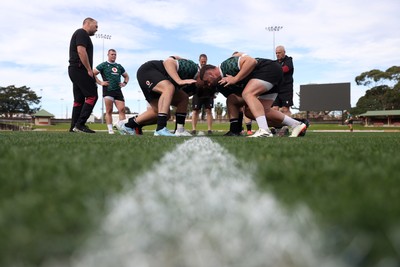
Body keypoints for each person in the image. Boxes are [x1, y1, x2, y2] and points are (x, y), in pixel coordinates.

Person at [200, 52, 307, 137]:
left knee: (248, 93)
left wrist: (235, 79)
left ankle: (264, 131)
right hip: (274, 74)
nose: (208, 84)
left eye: (207, 81)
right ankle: (296, 124)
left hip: (269, 69)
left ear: (210, 73)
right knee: (260, 111)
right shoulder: (223, 78)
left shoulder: (225, 66)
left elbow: (251, 61)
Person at [115, 56, 197, 136]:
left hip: (160, 84)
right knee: (168, 87)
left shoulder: (198, 87)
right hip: (149, 71)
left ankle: (128, 125)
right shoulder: (192, 67)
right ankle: (160, 129)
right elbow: (168, 61)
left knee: (175, 105)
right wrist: (178, 80)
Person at [68, 17, 99, 133]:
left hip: (74, 70)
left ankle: (73, 128)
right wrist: (89, 69)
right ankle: (80, 125)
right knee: (92, 96)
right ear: (88, 24)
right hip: (80, 69)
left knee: (79, 100)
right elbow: (81, 50)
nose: (97, 29)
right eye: (95, 26)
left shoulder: (80, 34)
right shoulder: (82, 33)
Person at [93, 49, 129, 134]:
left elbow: (126, 76)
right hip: (108, 90)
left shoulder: (119, 66)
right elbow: (93, 73)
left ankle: (122, 129)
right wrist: (100, 82)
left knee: (122, 110)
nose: (113, 56)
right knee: (109, 110)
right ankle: (110, 130)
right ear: (108, 55)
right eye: (112, 54)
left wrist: (124, 83)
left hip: (118, 91)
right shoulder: (104, 65)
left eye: (115, 54)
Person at [191, 54, 216, 135]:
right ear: (199, 60)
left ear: (207, 60)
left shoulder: (210, 69)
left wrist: (213, 92)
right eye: (202, 61)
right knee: (195, 111)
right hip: (197, 93)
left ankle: (209, 129)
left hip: (208, 93)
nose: (203, 63)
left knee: (209, 110)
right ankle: (194, 129)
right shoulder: (195, 69)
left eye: (204, 61)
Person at [272, 45, 294, 116]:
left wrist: (275, 71)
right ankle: (275, 126)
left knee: (285, 109)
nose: (277, 54)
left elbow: (286, 69)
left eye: (279, 52)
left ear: (284, 52)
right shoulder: (274, 63)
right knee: (274, 108)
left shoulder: (289, 60)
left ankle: (286, 126)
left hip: (286, 89)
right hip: (276, 89)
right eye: (276, 53)